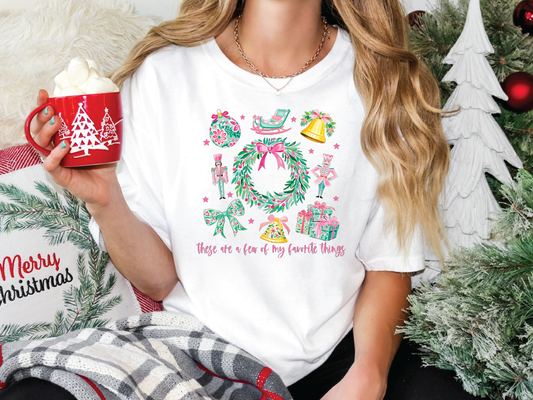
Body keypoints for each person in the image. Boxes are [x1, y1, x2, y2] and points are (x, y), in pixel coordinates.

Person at [7, 0, 450, 398]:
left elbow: (389, 263)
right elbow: (159, 282)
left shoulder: (385, 85)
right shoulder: (163, 75)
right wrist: (106, 201)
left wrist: (367, 377)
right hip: (195, 357)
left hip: (339, 358)